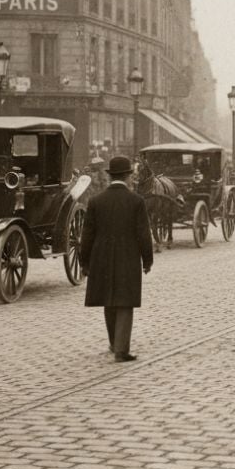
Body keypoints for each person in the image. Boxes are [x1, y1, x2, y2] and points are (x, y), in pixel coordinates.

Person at [80, 155, 154, 362]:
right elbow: (143, 234)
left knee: (109, 300)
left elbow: (87, 235)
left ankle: (114, 343)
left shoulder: (96, 201)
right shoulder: (136, 201)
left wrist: (84, 262)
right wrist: (147, 260)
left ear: (111, 176)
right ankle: (121, 350)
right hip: (128, 257)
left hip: (101, 257)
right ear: (128, 177)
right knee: (125, 302)